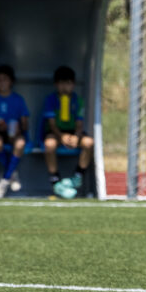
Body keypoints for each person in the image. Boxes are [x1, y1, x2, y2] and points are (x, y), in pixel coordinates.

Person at [41, 65, 93, 199]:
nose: (64, 87)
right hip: (56, 132)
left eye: (68, 83)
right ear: (56, 84)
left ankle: (77, 177)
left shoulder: (78, 100)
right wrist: (62, 136)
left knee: (88, 142)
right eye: (61, 83)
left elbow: (79, 123)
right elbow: (51, 124)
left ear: (73, 84)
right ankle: (55, 181)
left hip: (73, 132)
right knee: (50, 144)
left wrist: (76, 136)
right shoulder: (51, 100)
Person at [0, 64, 30, 199]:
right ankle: (11, 173)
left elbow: (25, 124)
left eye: (5, 79)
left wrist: (19, 127)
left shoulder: (18, 99)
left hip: (14, 134)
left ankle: (5, 179)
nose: (2, 83)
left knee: (20, 143)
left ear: (11, 81)